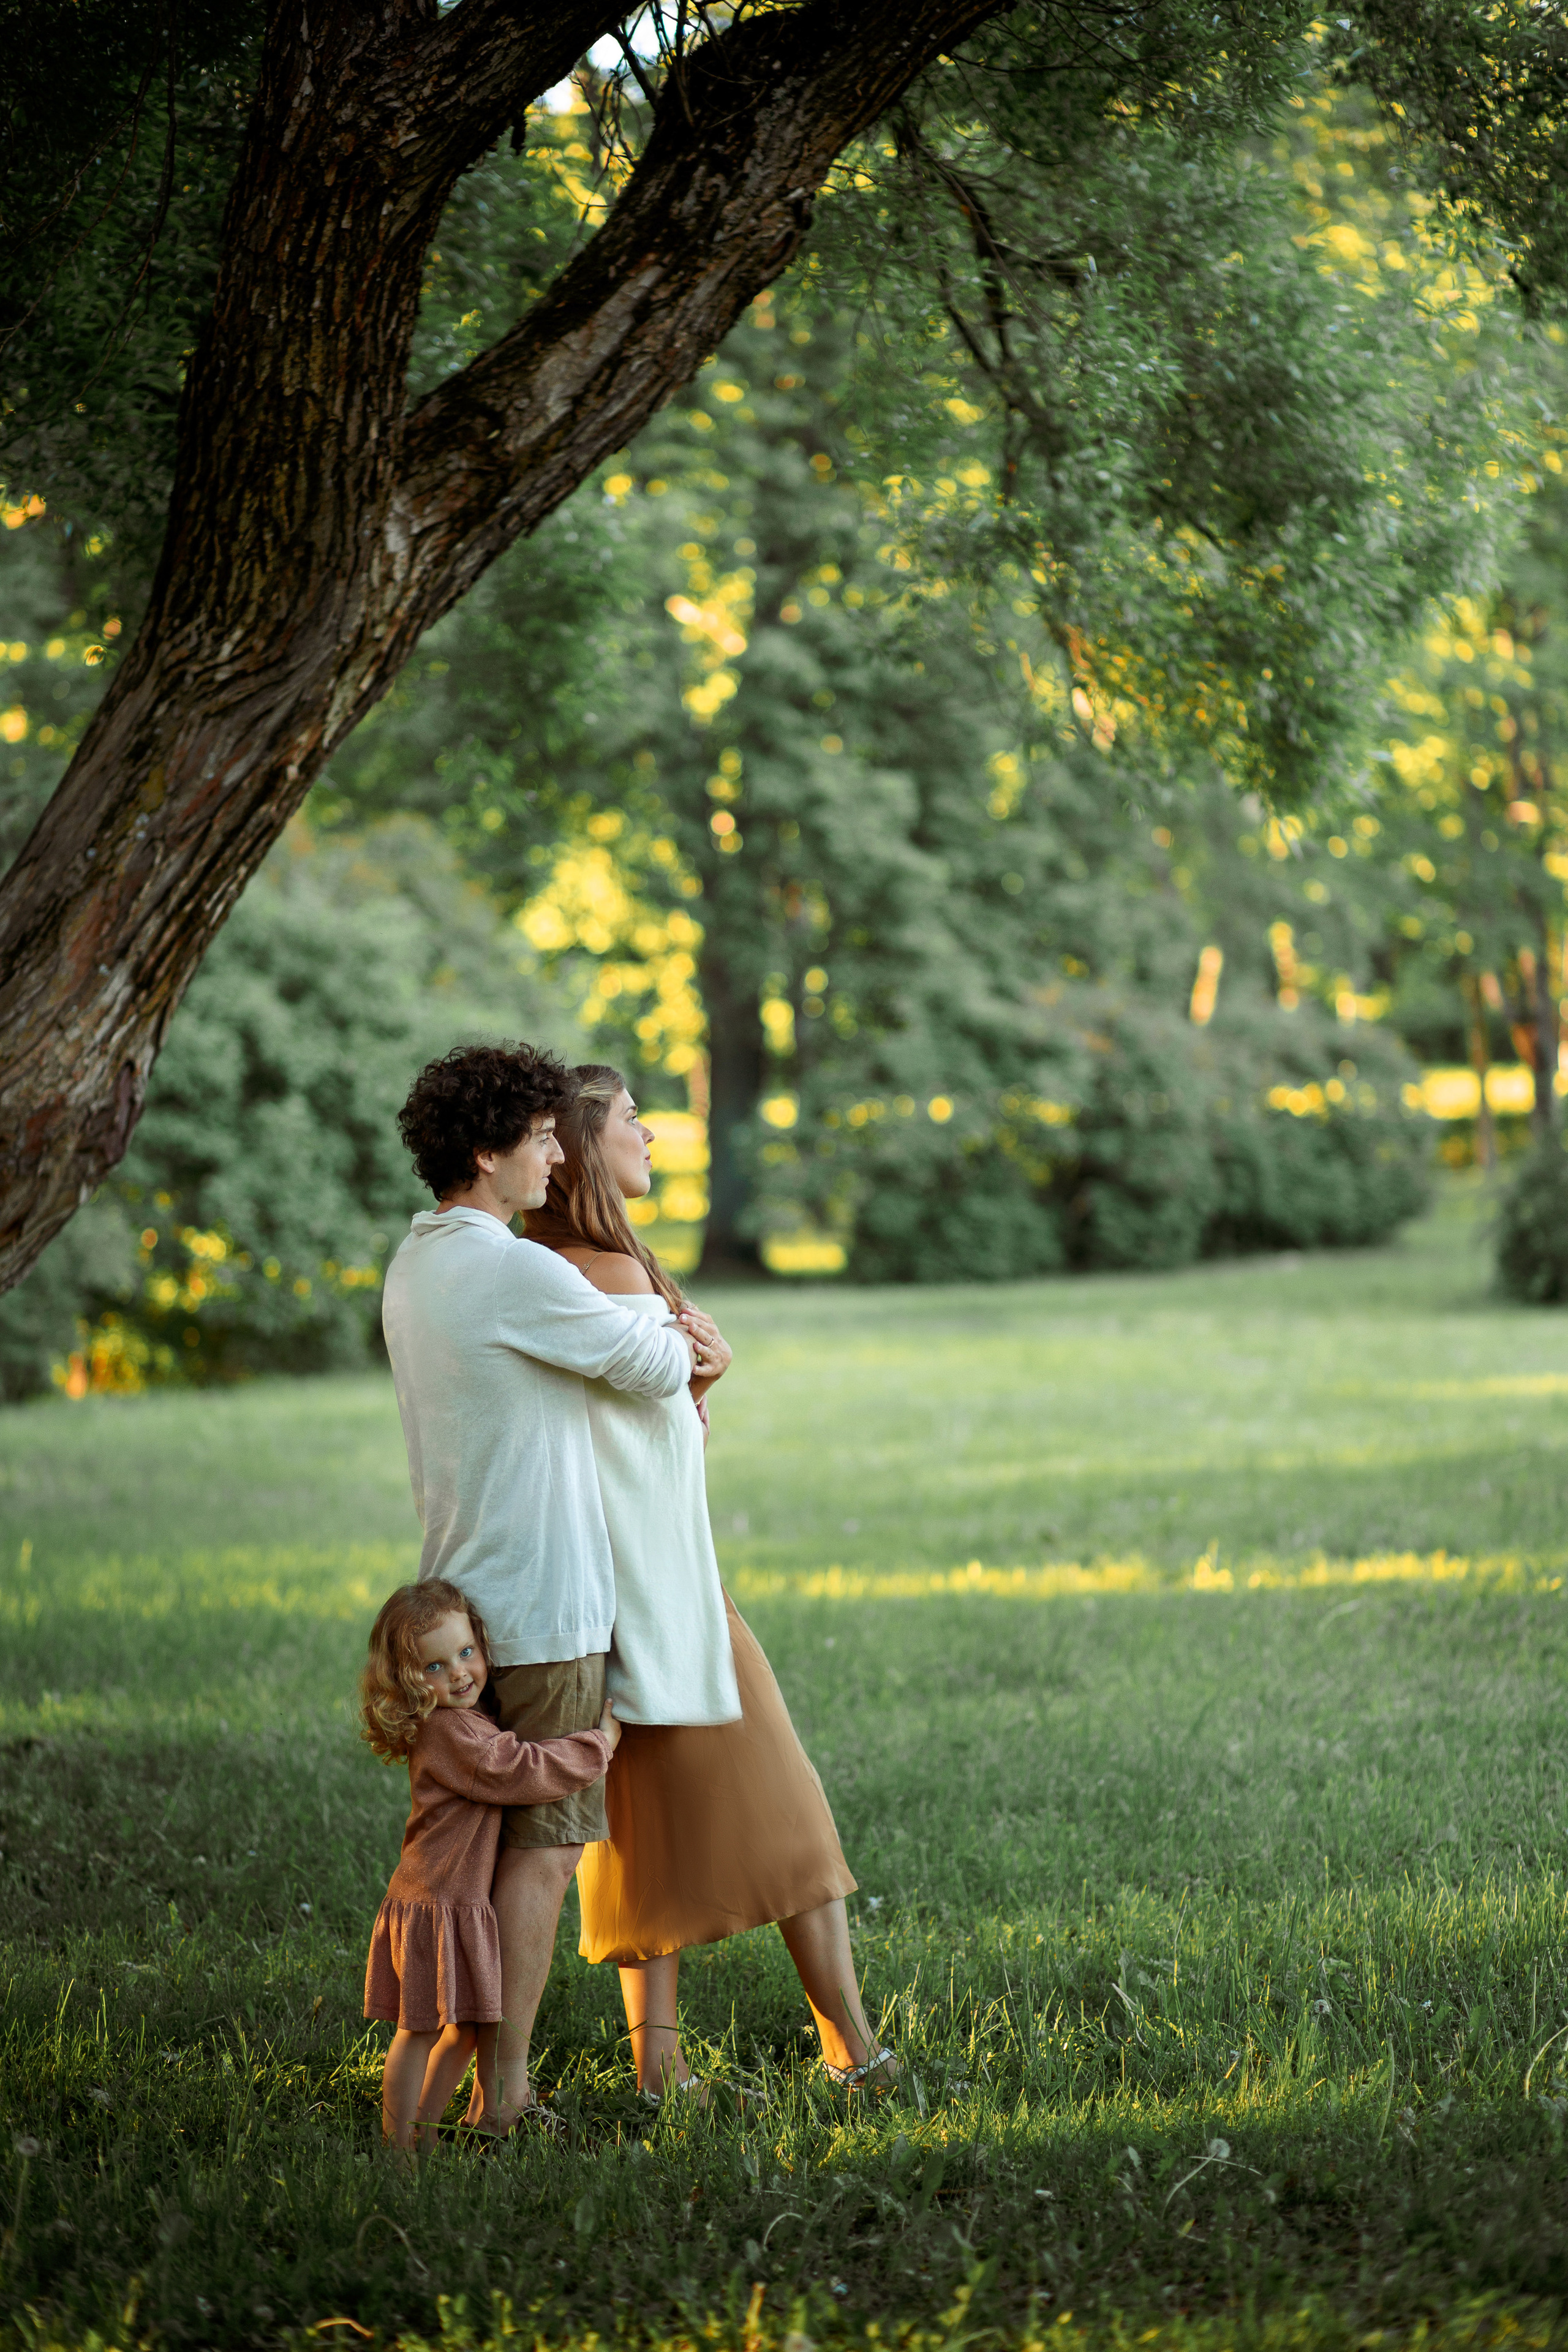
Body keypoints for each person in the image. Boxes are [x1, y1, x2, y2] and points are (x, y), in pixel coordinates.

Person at [527, 1065, 896, 2101]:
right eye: (630, 1118)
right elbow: (648, 1459)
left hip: (610, 1592)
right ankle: (855, 2055)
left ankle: (661, 2073)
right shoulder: (606, 1272)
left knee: (639, 1837)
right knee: (791, 1818)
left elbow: (636, 1446)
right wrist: (696, 1382)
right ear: (581, 1150)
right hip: (663, 1592)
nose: (650, 1134)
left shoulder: (558, 1266)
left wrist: (698, 1384)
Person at [382, 1042, 702, 2133]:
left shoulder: (416, 1262)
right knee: (547, 1851)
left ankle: (471, 2083)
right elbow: (656, 1366)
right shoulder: (515, 1269)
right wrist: (684, 1332)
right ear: (486, 1155)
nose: (558, 1155)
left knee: (480, 1851)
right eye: (537, 1139)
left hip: (463, 1597)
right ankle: (504, 2097)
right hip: (544, 1602)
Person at [360, 1580, 619, 2148]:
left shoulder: (465, 1719)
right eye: (434, 1666)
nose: (458, 1673)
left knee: (469, 2031)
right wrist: (599, 1745)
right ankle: (398, 2151)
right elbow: (520, 1770)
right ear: (406, 1681)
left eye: (466, 1652)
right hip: (435, 1905)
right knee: (419, 2032)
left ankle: (425, 2133)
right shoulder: (450, 1731)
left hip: (457, 1902)